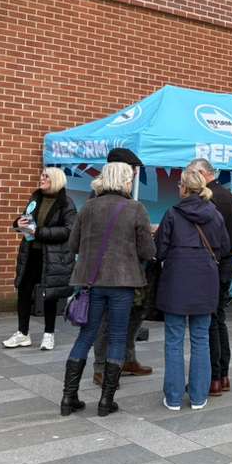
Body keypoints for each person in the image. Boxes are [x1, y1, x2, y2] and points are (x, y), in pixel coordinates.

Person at [61, 162, 154, 417]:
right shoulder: (135, 209)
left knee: (86, 336)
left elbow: (73, 245)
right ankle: (105, 401)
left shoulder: (89, 207)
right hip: (122, 283)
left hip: (90, 282)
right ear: (125, 181)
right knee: (116, 336)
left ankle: (68, 398)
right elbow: (148, 251)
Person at [156, 167, 229, 410]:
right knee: (201, 340)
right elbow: (224, 246)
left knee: (174, 340)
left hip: (176, 281)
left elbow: (159, 251)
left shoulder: (172, 214)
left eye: (179, 185)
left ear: (185, 188)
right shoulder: (215, 214)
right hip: (205, 281)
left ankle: (174, 397)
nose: (178, 189)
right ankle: (198, 396)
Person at [92, 147, 155, 385]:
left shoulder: (99, 202)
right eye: (132, 171)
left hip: (121, 273)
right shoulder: (119, 204)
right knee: (107, 323)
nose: (136, 176)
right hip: (117, 274)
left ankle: (127, 360)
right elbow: (144, 248)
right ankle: (102, 367)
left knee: (134, 316)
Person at [4, 167, 76, 352]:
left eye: (46, 176)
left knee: (49, 294)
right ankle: (22, 333)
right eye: (42, 175)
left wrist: (40, 232)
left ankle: (49, 334)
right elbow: (27, 219)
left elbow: (69, 230)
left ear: (56, 180)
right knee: (24, 290)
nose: (41, 178)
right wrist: (17, 223)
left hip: (52, 256)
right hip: (31, 253)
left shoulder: (66, 203)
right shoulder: (35, 197)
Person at [188, 158, 232, 398]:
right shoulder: (228, 196)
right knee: (218, 320)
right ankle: (223, 376)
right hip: (225, 264)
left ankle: (213, 377)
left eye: (191, 174)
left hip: (210, 266)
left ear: (202, 173)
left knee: (209, 323)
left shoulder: (208, 199)